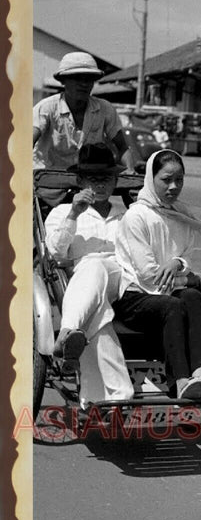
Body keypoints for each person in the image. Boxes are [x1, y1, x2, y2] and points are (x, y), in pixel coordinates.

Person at [113, 150, 201, 400]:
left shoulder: (181, 216)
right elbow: (149, 276)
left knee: (193, 296)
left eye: (179, 180)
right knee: (175, 303)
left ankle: (200, 377)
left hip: (167, 293)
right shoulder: (135, 217)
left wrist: (177, 263)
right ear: (151, 178)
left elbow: (185, 259)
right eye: (166, 179)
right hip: (135, 297)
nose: (174, 186)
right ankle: (181, 381)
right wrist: (183, 273)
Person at [44, 143, 134, 409]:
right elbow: (53, 252)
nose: (99, 186)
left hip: (121, 281)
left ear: (115, 181)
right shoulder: (62, 213)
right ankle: (115, 395)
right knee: (98, 317)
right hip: (84, 290)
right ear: (80, 180)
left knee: (94, 262)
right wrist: (74, 213)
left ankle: (68, 331)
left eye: (105, 179)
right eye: (92, 179)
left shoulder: (127, 216)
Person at [33, 51, 134, 174]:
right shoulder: (46, 108)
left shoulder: (105, 109)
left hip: (87, 179)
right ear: (63, 81)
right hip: (47, 179)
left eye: (89, 79)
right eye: (77, 78)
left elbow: (122, 147)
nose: (84, 84)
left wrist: (130, 169)